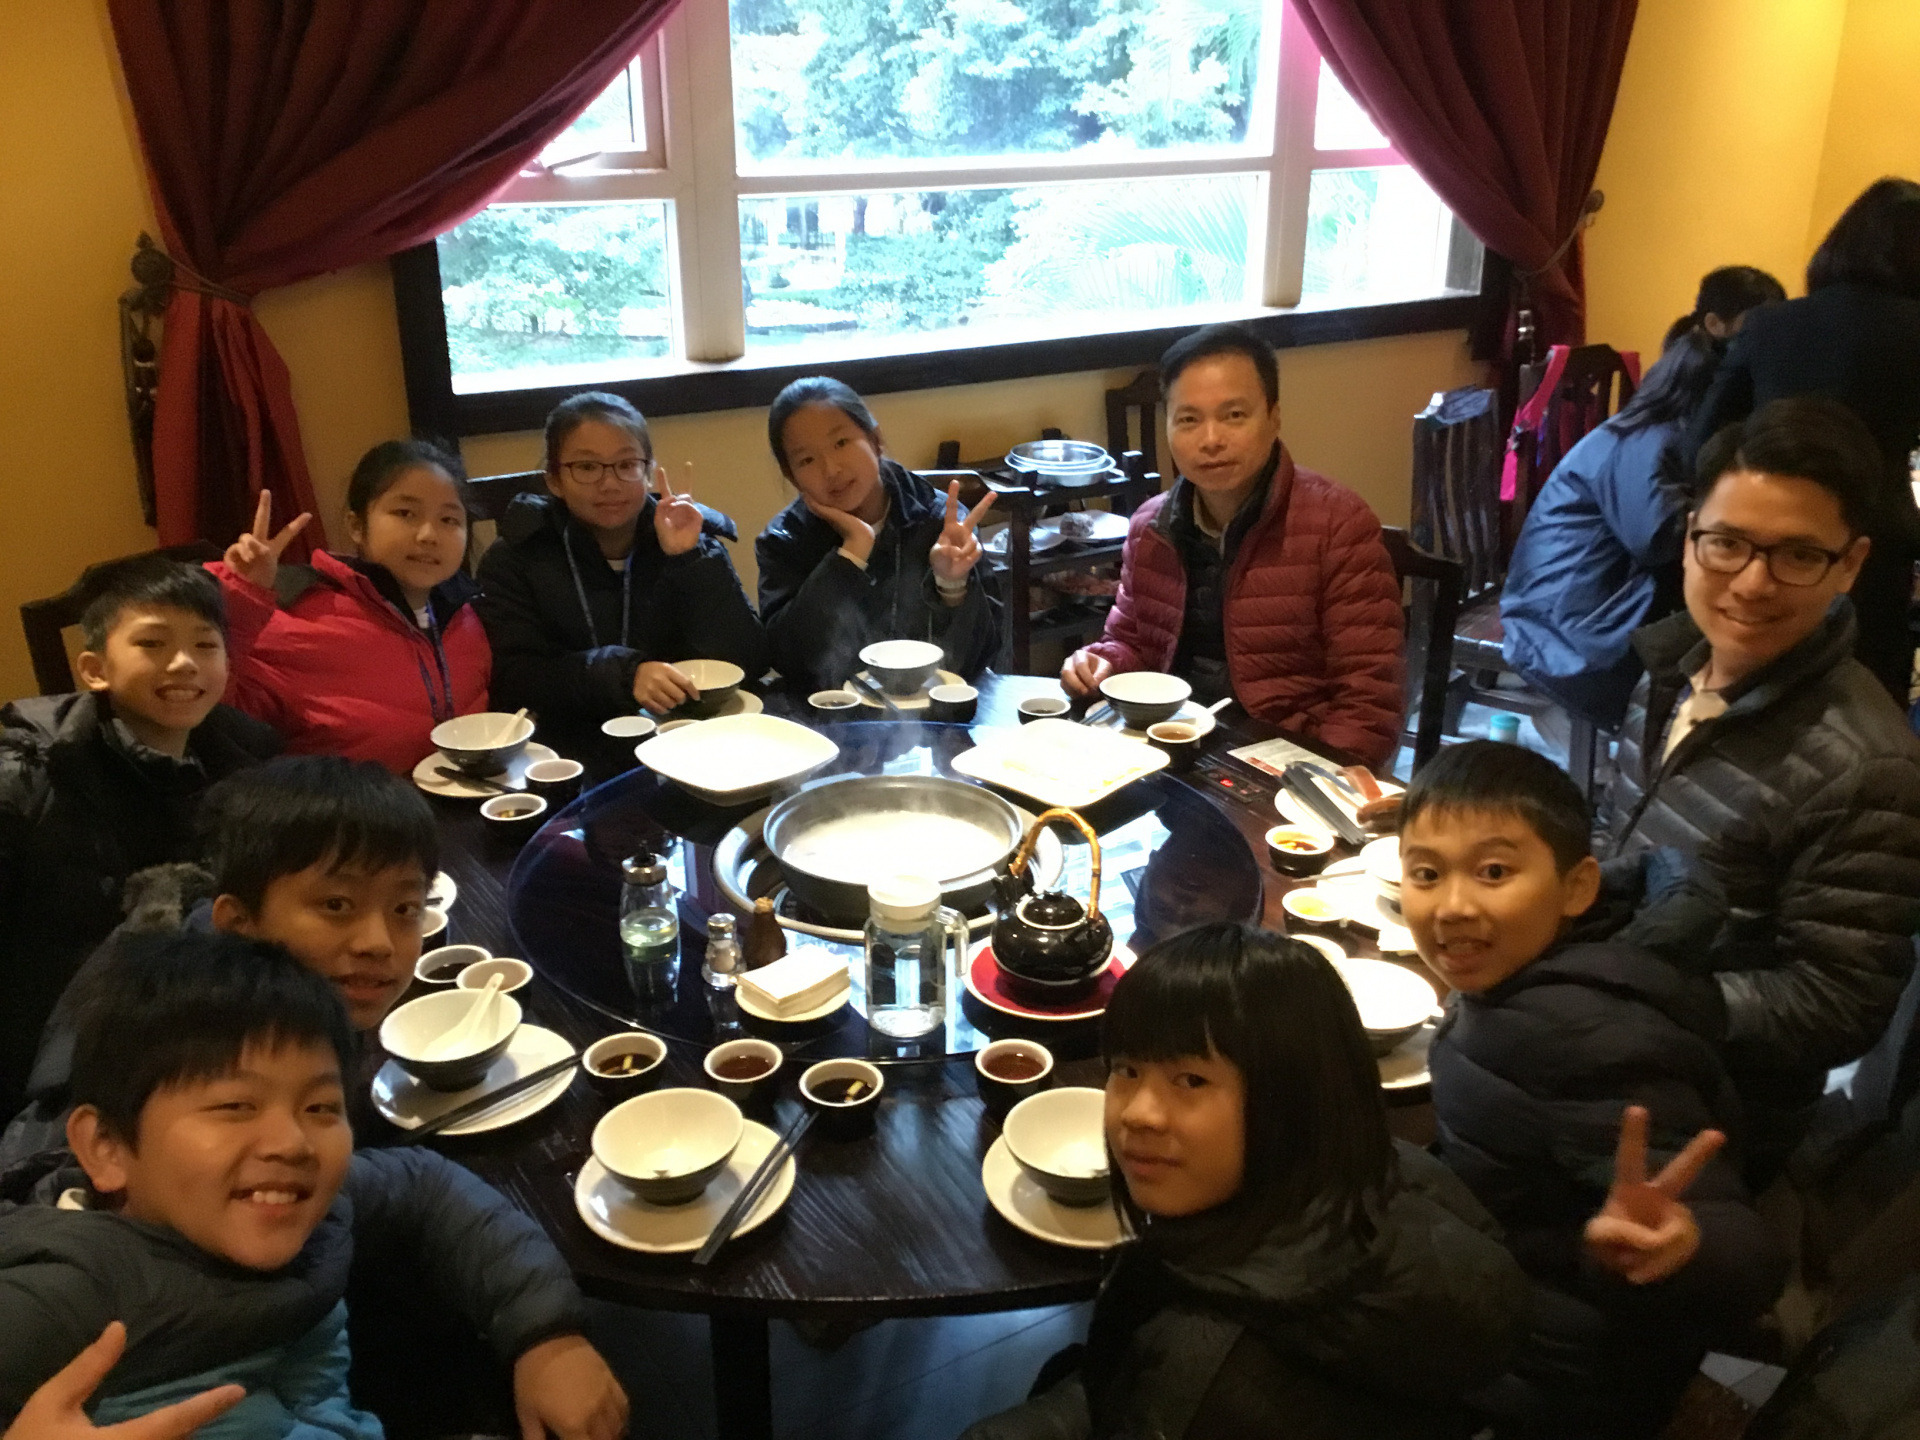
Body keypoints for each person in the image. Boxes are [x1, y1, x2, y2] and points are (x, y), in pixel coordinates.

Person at [0, 930, 627, 1440]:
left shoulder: (300, 1203)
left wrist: (547, 1336)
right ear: (107, 1148)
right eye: (236, 1106)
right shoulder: (65, 1290)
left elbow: (426, 1187)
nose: (292, 1142)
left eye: (320, 1107)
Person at [962, 923, 1527, 1440]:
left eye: (1190, 1079)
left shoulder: (1210, 1383)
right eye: (1127, 1069)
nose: (1137, 1113)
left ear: (1295, 1098)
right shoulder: (1387, 1169)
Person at [1401, 740, 1786, 1438]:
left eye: (1493, 872)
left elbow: (1745, 1250)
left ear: (1577, 887)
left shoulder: (1587, 1039)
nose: (1452, 906)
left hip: (1553, 1371)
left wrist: (1681, 1246)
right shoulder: (1532, 972)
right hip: (1513, 1293)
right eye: (1426, 873)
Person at [1602, 396, 1920, 1182]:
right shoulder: (1672, 665)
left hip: (1699, 1119)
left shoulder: (1867, 765)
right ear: (1691, 537)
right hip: (1602, 1038)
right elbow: (1619, 837)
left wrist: (1659, 997)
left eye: (1798, 555)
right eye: (1728, 543)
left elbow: (1841, 1002)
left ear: (1850, 564)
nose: (1751, 582)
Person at [3, 755, 438, 1169]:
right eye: (337, 904)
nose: (378, 943)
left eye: (405, 908)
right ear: (236, 923)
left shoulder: (297, 1004)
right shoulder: (166, 1052)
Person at [0, 559, 279, 1117]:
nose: (184, 663)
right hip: (57, 1064)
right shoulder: (31, 773)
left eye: (205, 645)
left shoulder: (246, 753)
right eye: (152, 643)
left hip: (197, 1022)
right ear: (94, 669)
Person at [1061, 324, 1404, 768]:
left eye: (1234, 415)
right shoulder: (1150, 527)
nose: (1210, 440)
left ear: (1274, 417)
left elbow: (1369, 702)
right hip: (1171, 748)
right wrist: (1100, 662)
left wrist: (1319, 782)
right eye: (1188, 419)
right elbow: (1131, 643)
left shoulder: (1338, 525)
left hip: (1289, 763)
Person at [1503, 266, 1786, 729]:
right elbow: (1660, 540)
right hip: (1565, 631)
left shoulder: (1659, 434)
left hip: (1596, 604)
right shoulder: (1648, 441)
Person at [1690, 178, 1920, 700]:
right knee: (1861, 691)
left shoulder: (1770, 324)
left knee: (1753, 670)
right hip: (1872, 538)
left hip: (1764, 531)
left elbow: (1703, 441)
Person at [476, 392, 766, 749]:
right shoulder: (517, 556)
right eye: (587, 467)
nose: (610, 484)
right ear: (554, 480)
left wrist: (690, 559)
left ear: (648, 472)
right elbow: (514, 680)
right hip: (566, 750)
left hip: (683, 740)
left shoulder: (689, 537)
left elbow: (746, 663)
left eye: (627, 465)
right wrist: (624, 675)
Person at [210, 440, 490, 773]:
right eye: (406, 513)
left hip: (470, 799)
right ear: (356, 526)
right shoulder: (298, 619)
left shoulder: (468, 617)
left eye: (449, 519)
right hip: (345, 804)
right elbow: (211, 715)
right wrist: (241, 599)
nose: (429, 535)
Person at [755, 377, 1001, 694]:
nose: (831, 470)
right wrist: (850, 555)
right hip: (832, 715)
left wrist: (951, 584)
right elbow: (790, 662)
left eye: (840, 443)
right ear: (792, 476)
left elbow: (979, 661)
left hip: (931, 713)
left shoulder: (940, 522)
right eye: (806, 460)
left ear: (875, 440)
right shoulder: (785, 539)